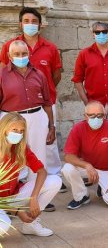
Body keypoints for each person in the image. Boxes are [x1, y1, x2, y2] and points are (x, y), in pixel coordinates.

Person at [0, 7, 63, 191]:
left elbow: (55, 77)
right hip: (11, 116)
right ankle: (11, 191)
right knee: (12, 153)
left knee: (40, 151)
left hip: (38, 111)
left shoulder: (45, 59)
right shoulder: (5, 62)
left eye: (34, 21)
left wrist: (51, 124)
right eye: (26, 21)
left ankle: (40, 188)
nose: (21, 57)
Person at [0, 40, 56, 211]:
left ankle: (35, 197)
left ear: (29, 53)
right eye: (16, 54)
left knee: (38, 157)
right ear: (9, 56)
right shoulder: (2, 75)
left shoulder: (39, 74)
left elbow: (47, 102)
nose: (21, 57)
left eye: (24, 53)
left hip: (37, 117)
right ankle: (9, 200)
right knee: (9, 157)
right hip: (11, 120)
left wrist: (51, 125)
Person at [0, 112, 61, 237]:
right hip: (2, 202)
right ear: (4, 129)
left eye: (21, 131)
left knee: (55, 181)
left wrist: (33, 197)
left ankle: (30, 225)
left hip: (13, 195)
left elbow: (41, 171)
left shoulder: (20, 148)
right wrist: (17, 212)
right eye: (14, 130)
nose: (18, 134)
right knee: (4, 227)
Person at [61, 101, 108, 209]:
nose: (96, 118)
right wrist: (87, 165)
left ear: (104, 116)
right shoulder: (78, 128)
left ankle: (102, 187)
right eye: (92, 115)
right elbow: (68, 156)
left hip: (107, 170)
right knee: (67, 168)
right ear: (85, 116)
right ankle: (82, 196)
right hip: (88, 168)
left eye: (99, 115)